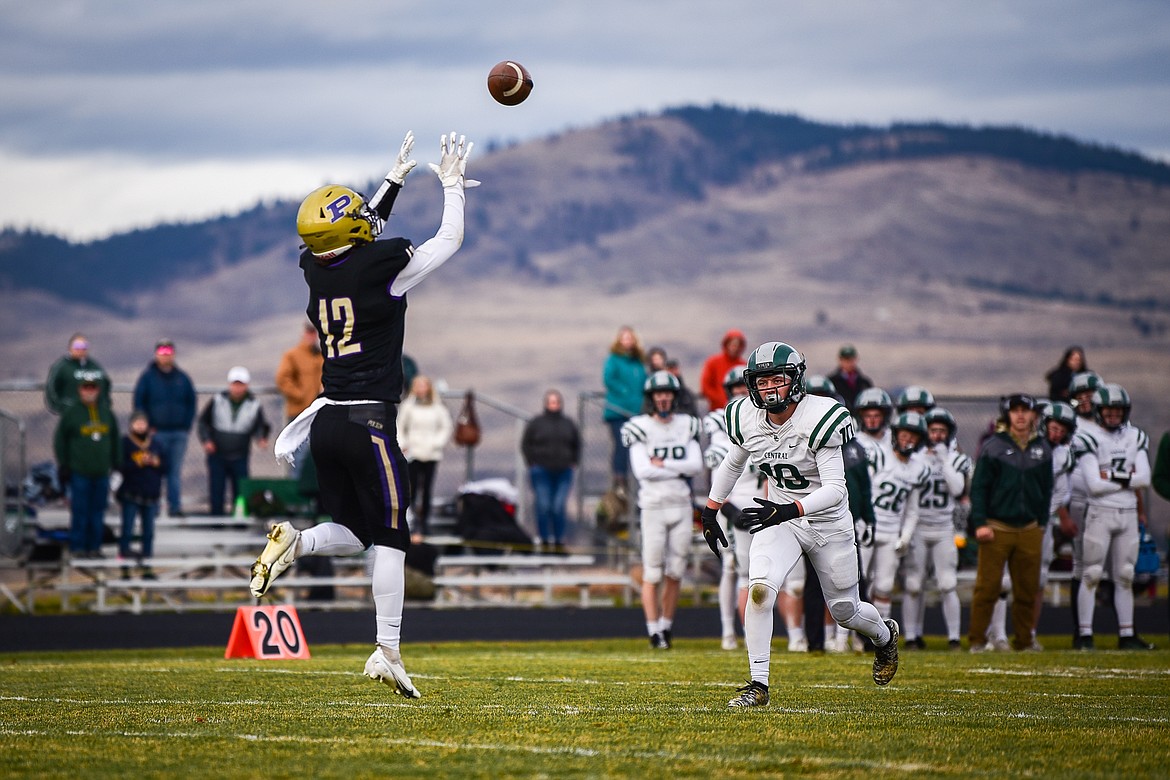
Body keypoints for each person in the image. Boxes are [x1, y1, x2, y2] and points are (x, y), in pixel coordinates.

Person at [255, 130, 476, 699]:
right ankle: (388, 649)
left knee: (354, 532)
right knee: (392, 538)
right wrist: (451, 184)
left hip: (327, 422)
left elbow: (355, 234)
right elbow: (447, 239)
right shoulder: (381, 266)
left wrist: (392, 183)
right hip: (367, 424)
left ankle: (297, 544)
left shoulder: (314, 268)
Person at [700, 341, 899, 708]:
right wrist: (710, 510)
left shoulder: (819, 416)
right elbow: (732, 462)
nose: (769, 388)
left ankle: (884, 637)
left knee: (845, 612)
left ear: (795, 380)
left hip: (827, 523)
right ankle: (758, 685)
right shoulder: (745, 416)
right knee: (760, 590)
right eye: (762, 381)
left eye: (777, 379)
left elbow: (837, 490)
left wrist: (790, 509)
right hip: (780, 517)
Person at [623, 370, 702, 649]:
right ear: (651, 398)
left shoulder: (686, 424)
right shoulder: (639, 426)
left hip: (680, 502)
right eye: (659, 393)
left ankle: (667, 627)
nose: (664, 398)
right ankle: (653, 630)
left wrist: (663, 465)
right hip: (653, 505)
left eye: (668, 392)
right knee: (653, 571)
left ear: (675, 396)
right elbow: (642, 470)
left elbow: (696, 465)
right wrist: (671, 469)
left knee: (677, 569)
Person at [967, 394, 1053, 652]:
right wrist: (980, 522)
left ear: (1033, 415)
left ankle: (1025, 640)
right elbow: (979, 488)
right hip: (997, 527)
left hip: (1029, 527)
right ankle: (977, 640)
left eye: (1025, 410)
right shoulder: (993, 446)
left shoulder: (1043, 448)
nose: (1020, 415)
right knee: (987, 588)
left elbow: (1047, 489)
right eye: (1015, 410)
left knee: (1028, 589)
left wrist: (1042, 522)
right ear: (1008, 415)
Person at [1074, 384, 1155, 650]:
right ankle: (1085, 635)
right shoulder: (1087, 437)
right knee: (1092, 573)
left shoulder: (1136, 436)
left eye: (1117, 411)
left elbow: (1144, 479)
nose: (1112, 415)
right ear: (1098, 411)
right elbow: (1093, 485)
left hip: (1128, 512)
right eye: (1108, 410)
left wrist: (1112, 476)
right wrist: (1127, 480)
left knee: (1125, 574)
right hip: (1100, 511)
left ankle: (1127, 634)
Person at [702, 366, 763, 651]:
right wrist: (724, 507)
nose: (740, 392)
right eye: (735, 388)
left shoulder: (764, 419)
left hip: (759, 503)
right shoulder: (720, 423)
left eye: (744, 386)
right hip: (730, 504)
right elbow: (717, 467)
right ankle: (728, 630)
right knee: (731, 566)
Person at [901, 407, 971, 651]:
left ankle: (953, 638)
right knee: (913, 584)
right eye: (933, 430)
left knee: (947, 583)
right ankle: (912, 637)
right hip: (918, 527)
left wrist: (944, 461)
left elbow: (958, 489)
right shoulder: (914, 458)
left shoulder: (956, 458)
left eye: (942, 431)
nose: (938, 435)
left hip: (944, 528)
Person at [864, 412, 930, 626]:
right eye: (904, 434)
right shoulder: (879, 455)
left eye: (913, 436)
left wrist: (906, 536)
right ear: (895, 435)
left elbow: (912, 510)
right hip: (867, 528)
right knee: (856, 583)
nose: (908, 440)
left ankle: (880, 637)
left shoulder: (918, 469)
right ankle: (844, 636)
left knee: (884, 585)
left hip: (891, 532)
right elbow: (863, 492)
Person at [53, 379, 121, 557]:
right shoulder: (72, 413)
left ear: (98, 390)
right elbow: (60, 440)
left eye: (93, 388)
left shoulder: (106, 413)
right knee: (80, 512)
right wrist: (64, 464)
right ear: (80, 390)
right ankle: (78, 547)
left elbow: (115, 439)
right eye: (86, 388)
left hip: (101, 473)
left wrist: (117, 463)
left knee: (97, 513)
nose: (89, 392)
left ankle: (94, 547)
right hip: (79, 472)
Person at [1030, 400, 1078, 649]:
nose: (1056, 433)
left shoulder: (1063, 456)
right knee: (1008, 580)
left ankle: (1030, 632)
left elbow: (1062, 492)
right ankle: (996, 634)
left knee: (1039, 579)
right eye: (1053, 427)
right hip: (1019, 521)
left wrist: (1043, 515)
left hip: (1043, 523)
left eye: (1062, 429)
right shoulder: (1027, 447)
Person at [133, 338, 197, 517]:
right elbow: (139, 403)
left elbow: (191, 403)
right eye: (162, 352)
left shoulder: (182, 378)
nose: (165, 355)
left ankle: (174, 507)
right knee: (154, 469)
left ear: (173, 354)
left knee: (174, 471)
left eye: (168, 352)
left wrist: (185, 426)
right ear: (156, 354)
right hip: (155, 433)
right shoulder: (147, 378)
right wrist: (145, 428)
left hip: (178, 432)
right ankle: (152, 507)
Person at [197, 366, 271, 516]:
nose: (237, 388)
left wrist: (261, 438)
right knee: (217, 489)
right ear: (230, 385)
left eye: (241, 384)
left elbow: (260, 426)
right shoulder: (218, 400)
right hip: (217, 454)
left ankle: (239, 520)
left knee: (240, 490)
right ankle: (216, 521)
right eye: (235, 384)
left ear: (247, 385)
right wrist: (206, 440)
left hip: (240, 455)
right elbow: (203, 422)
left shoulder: (253, 405)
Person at [521, 389, 581, 553]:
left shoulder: (568, 423)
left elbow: (577, 444)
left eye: (556, 402)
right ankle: (545, 540)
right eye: (551, 402)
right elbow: (526, 444)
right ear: (546, 404)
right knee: (543, 505)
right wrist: (531, 462)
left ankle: (559, 542)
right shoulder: (536, 423)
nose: (554, 405)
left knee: (558, 506)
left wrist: (573, 461)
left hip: (563, 471)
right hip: (541, 471)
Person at [397, 375, 453, 541]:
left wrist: (437, 443)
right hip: (413, 453)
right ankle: (412, 520)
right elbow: (400, 426)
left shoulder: (437, 407)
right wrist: (404, 444)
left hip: (431, 453)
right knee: (412, 488)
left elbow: (446, 426)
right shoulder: (408, 406)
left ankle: (425, 521)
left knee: (427, 488)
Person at [117, 410, 165, 578]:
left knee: (148, 533)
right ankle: (124, 568)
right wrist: (138, 463)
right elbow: (120, 466)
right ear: (131, 425)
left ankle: (147, 568)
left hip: (151, 494)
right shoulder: (126, 443)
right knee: (127, 531)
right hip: (131, 493)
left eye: (143, 423)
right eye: (137, 423)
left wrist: (154, 462)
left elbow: (165, 467)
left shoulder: (156, 444)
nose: (140, 426)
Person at [602, 325, 647, 491]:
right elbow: (608, 379)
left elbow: (643, 381)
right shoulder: (613, 359)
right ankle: (620, 481)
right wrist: (625, 392)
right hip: (618, 411)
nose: (627, 341)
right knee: (621, 446)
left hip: (636, 411)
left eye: (630, 338)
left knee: (637, 447)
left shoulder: (638, 361)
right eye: (624, 338)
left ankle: (638, 479)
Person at [45, 332, 111, 415]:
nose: (81, 349)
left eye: (84, 346)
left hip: (93, 413)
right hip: (69, 414)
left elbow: (105, 385)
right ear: (69, 348)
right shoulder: (61, 366)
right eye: (77, 346)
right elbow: (51, 388)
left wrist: (105, 406)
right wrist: (61, 407)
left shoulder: (94, 366)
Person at [276, 321, 325, 423]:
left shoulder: (322, 356)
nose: (311, 336)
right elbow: (282, 379)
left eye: (313, 333)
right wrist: (300, 395)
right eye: (309, 332)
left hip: (319, 410)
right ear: (302, 334)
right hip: (298, 411)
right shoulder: (292, 355)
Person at [698, 328, 747, 412]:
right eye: (732, 344)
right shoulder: (713, 362)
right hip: (717, 409)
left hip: (741, 410)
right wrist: (721, 401)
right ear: (726, 344)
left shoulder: (744, 365)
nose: (735, 348)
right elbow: (705, 387)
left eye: (738, 345)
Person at [827, 344, 873, 413]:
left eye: (851, 359)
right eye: (846, 359)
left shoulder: (864, 383)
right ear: (840, 360)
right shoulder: (832, 382)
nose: (849, 363)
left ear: (856, 359)